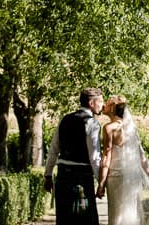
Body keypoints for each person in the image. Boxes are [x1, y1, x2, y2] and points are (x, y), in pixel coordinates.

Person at [95, 95, 149, 225]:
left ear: (113, 108)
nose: (104, 105)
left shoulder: (109, 128)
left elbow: (106, 156)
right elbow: (140, 155)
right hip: (132, 176)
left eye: (107, 103)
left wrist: (101, 183)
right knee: (131, 213)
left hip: (115, 176)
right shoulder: (131, 128)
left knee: (116, 215)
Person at [44, 87, 105, 225]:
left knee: (65, 220)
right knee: (85, 221)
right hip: (81, 178)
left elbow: (53, 149)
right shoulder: (93, 123)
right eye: (100, 101)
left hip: (62, 178)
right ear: (91, 103)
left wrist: (48, 175)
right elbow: (94, 157)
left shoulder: (64, 119)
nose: (103, 105)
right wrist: (101, 183)